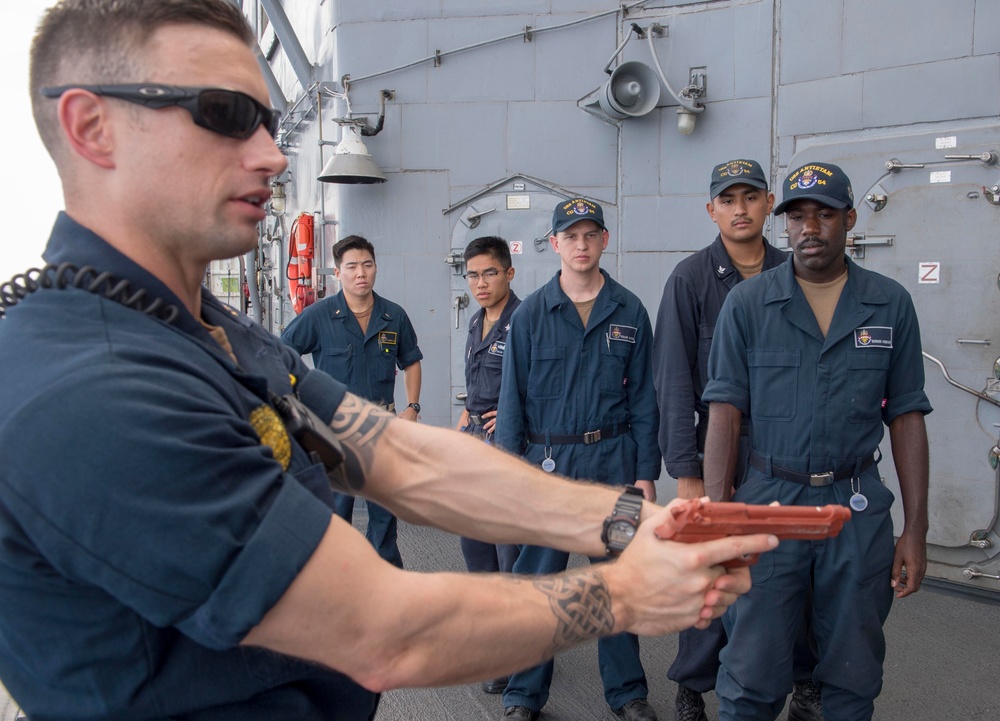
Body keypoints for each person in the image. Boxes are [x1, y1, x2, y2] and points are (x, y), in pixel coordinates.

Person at [0, 2, 778, 720]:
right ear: (92, 126)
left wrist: (620, 519)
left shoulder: (202, 327)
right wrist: (624, 592)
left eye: (268, 120)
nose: (271, 153)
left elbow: (394, 453)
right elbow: (381, 629)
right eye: (226, 115)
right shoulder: (94, 388)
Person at [702, 162, 931, 721]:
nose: (810, 227)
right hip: (767, 505)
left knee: (852, 675)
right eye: (798, 216)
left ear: (849, 220)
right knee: (751, 675)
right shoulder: (749, 305)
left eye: (824, 214)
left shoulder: (890, 304)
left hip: (856, 509)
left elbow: (906, 416)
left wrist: (916, 530)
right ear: (784, 225)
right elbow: (724, 414)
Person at [652, 160, 822, 721]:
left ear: (770, 203)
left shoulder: (798, 272)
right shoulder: (691, 278)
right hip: (719, 451)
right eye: (728, 200)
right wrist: (688, 471)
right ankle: (694, 684)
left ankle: (804, 681)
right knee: (717, 575)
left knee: (791, 572)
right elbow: (674, 380)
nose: (741, 209)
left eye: (751, 197)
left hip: (786, 454)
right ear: (712, 211)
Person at [495, 198, 661, 721]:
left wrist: (645, 474)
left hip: (614, 467)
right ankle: (523, 695)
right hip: (548, 466)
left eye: (591, 235)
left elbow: (644, 400)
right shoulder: (529, 315)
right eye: (572, 236)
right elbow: (510, 401)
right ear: (555, 244)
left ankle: (628, 693)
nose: (582, 245)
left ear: (604, 241)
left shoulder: (629, 310)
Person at [282, 234, 422, 568]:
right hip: (334, 428)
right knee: (335, 511)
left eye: (367, 265)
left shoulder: (393, 315)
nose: (361, 273)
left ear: (375, 268)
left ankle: (386, 579)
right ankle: (336, 581)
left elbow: (411, 361)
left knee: (385, 513)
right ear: (338, 272)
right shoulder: (319, 315)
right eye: (352, 266)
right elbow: (282, 351)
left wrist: (412, 408)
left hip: (382, 427)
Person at [456, 235, 522, 694]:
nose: (480, 283)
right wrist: (464, 420)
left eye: (490, 273)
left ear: (509, 273)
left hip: (507, 445)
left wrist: (514, 413)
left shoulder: (526, 320)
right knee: (474, 542)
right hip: (475, 439)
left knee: (507, 550)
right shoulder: (475, 321)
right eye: (473, 274)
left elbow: (544, 383)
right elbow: (474, 382)